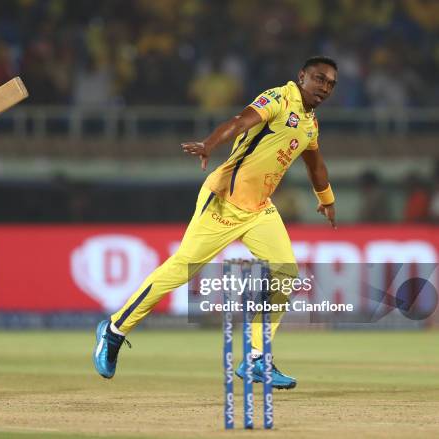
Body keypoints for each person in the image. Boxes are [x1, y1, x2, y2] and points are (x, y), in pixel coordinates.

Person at [93, 56, 338, 388]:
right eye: (319, 79)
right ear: (302, 77)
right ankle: (115, 329)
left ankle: (255, 359)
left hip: (258, 210)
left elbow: (315, 164)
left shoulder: (310, 123)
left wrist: (326, 199)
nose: (325, 87)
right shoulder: (280, 98)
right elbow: (239, 121)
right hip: (222, 201)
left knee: (286, 272)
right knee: (182, 268)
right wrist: (210, 143)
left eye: (331, 84)